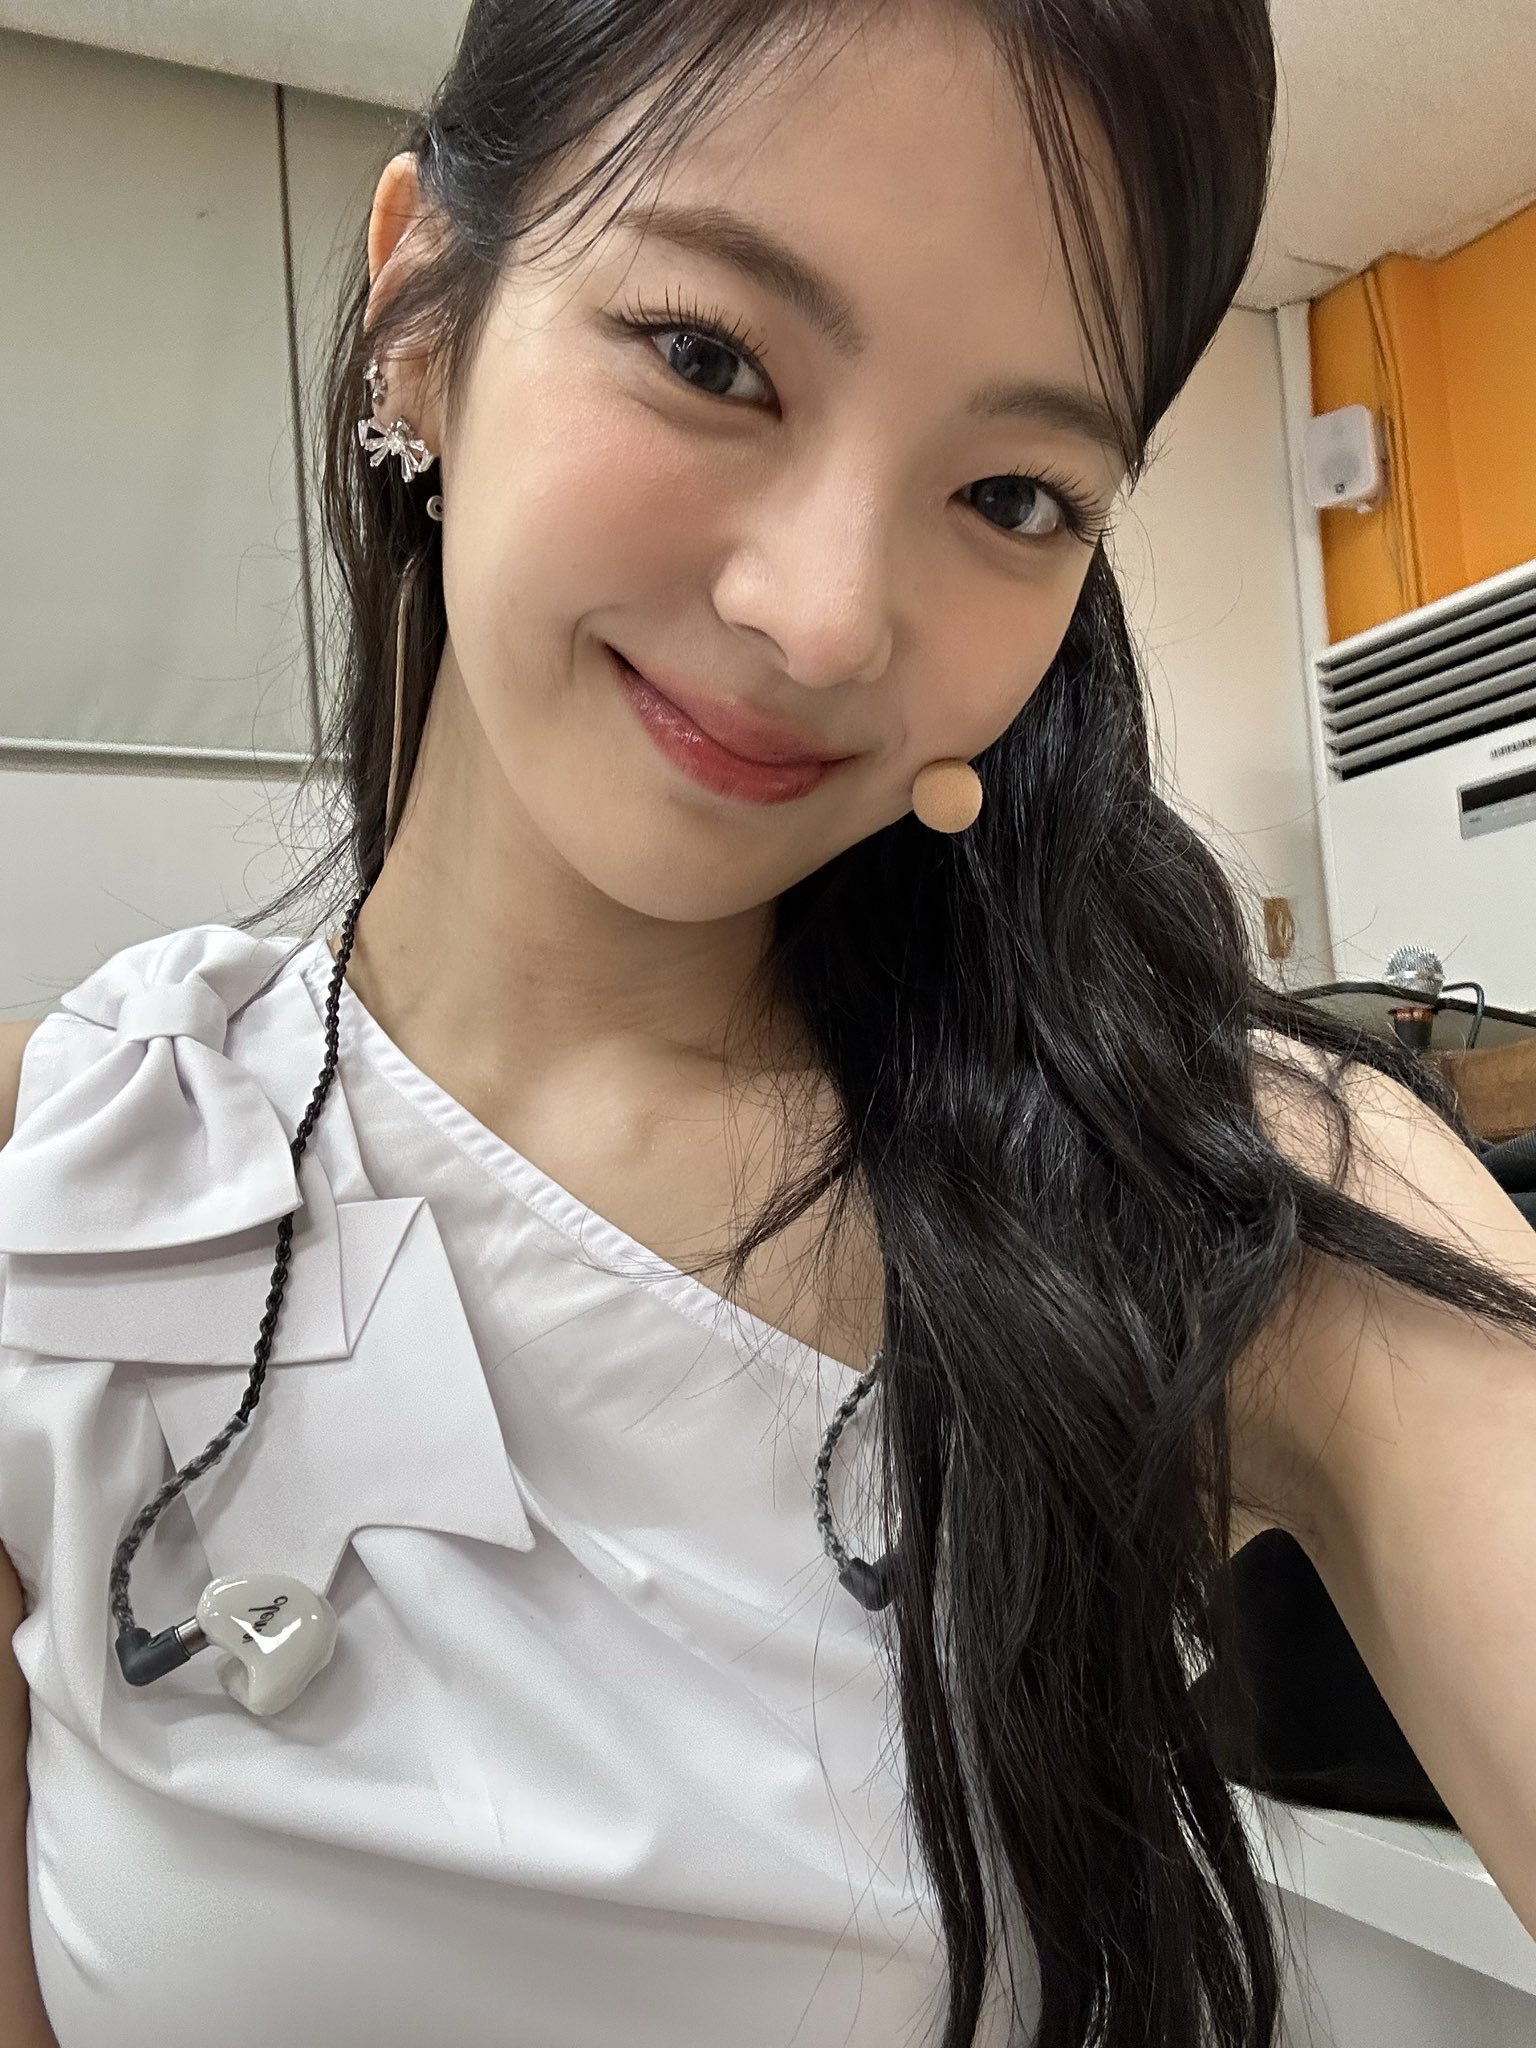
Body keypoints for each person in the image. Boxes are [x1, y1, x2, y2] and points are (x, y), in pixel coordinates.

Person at [3, 1, 1536, 2042]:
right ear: (423, 312)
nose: (823, 618)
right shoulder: (66, 1180)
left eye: (1013, 492)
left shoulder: (1230, 1195)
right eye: (710, 357)